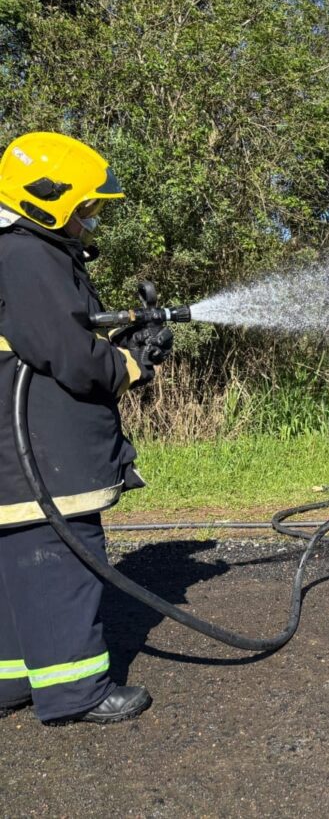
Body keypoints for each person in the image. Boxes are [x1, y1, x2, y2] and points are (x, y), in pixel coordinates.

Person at [0, 132, 173, 724]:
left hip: (20, 453)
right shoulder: (26, 254)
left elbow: (47, 337)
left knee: (21, 571)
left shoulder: (17, 251)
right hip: (41, 454)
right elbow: (67, 354)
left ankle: (13, 683)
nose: (89, 220)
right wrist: (131, 364)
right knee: (63, 565)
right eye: (84, 208)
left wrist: (122, 337)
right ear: (46, 200)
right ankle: (77, 693)